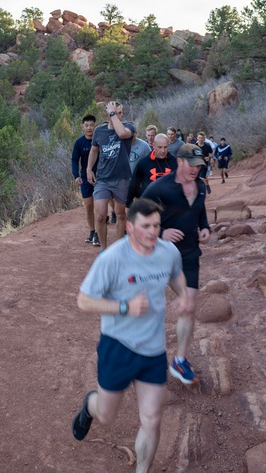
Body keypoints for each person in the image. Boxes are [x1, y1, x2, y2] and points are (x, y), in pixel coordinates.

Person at [71, 199, 194, 473]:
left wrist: (184, 295)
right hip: (118, 346)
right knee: (106, 414)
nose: (153, 232)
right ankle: (89, 406)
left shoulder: (168, 252)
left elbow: (174, 274)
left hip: (153, 349)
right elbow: (84, 301)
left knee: (152, 419)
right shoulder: (111, 259)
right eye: (146, 226)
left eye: (157, 226)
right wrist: (124, 307)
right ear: (129, 227)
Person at [140, 143, 210, 386]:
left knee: (188, 306)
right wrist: (161, 234)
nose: (195, 170)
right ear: (179, 162)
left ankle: (179, 360)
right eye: (191, 164)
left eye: (199, 166)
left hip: (190, 255)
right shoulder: (159, 188)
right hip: (162, 256)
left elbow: (200, 212)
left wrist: (205, 228)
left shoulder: (200, 187)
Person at [87, 101, 136, 250]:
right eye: (115, 112)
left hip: (122, 178)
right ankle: (104, 250)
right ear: (107, 115)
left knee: (121, 214)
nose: (119, 115)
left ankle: (118, 249)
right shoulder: (99, 131)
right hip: (103, 178)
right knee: (100, 215)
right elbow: (94, 150)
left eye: (120, 112)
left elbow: (121, 134)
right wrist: (89, 168)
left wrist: (114, 115)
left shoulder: (129, 127)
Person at [71, 114, 99, 246]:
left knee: (100, 207)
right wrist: (76, 175)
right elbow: (75, 160)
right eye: (86, 125)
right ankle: (92, 231)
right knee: (89, 207)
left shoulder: (100, 140)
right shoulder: (79, 143)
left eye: (91, 125)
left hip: (101, 177)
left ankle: (99, 233)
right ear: (82, 127)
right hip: (85, 178)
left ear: (96, 126)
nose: (89, 128)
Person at [128, 133, 178, 206]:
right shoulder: (143, 163)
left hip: (169, 204)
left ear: (169, 146)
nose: (163, 150)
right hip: (149, 204)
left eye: (165, 147)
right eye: (159, 147)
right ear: (153, 145)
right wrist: (128, 203)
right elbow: (134, 183)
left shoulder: (175, 162)